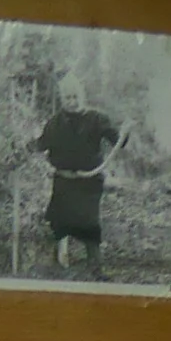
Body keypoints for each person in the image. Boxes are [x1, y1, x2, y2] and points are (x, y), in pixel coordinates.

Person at [39, 97, 121, 273]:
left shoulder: (96, 118)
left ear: (82, 97)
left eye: (75, 97)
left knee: (89, 222)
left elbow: (116, 139)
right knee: (58, 221)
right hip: (63, 180)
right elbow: (42, 143)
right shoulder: (55, 122)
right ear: (63, 100)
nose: (72, 101)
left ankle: (95, 268)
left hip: (89, 182)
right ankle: (57, 265)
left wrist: (125, 133)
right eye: (68, 98)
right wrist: (26, 147)